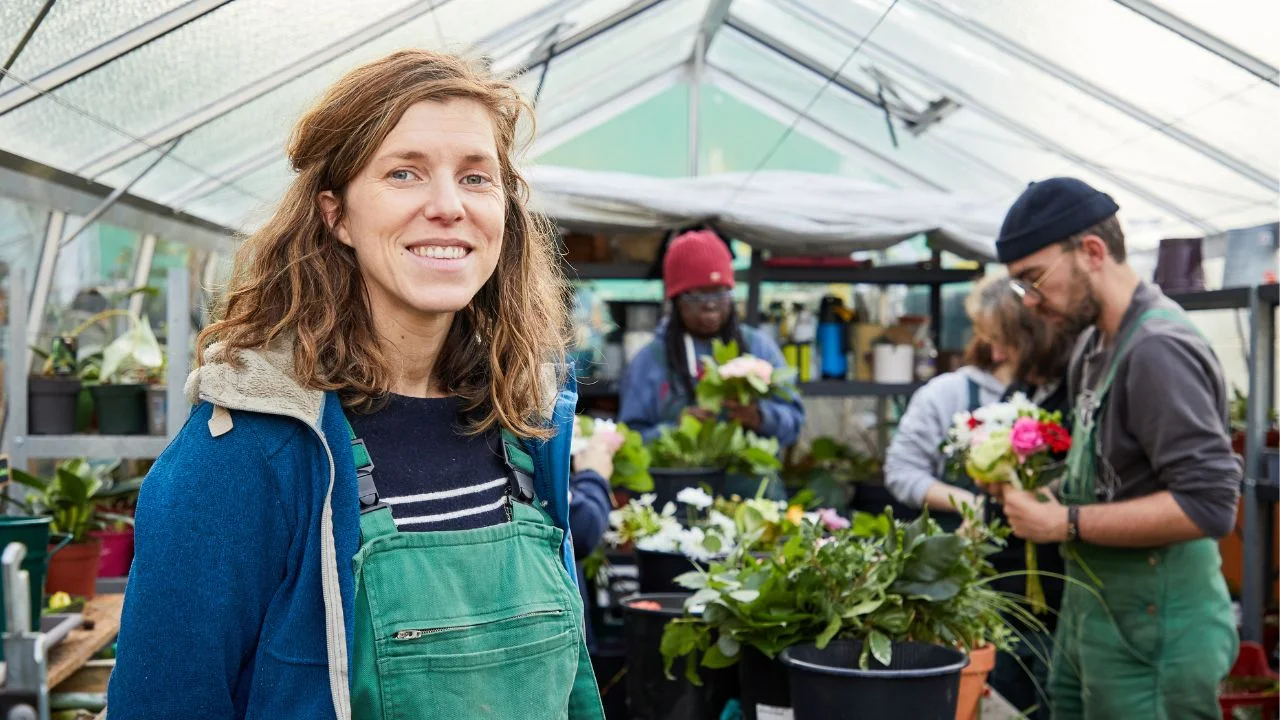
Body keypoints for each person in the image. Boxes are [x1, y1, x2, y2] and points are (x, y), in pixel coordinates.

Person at [108, 51, 604, 719]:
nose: (448, 207)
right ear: (336, 215)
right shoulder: (249, 453)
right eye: (405, 172)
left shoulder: (525, 426)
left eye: (476, 177)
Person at [992, 177, 1240, 719]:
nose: (1030, 303)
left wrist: (1065, 524)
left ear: (1093, 252)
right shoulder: (1094, 345)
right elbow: (1106, 474)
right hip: (1094, 617)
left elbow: (1209, 505)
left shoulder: (1157, 351)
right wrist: (1036, 493)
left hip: (1157, 634)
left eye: (1034, 280)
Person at [618, 229, 805, 448]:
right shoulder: (650, 360)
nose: (710, 304)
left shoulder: (758, 348)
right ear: (676, 300)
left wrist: (760, 417)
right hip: (675, 479)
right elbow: (628, 439)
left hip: (750, 480)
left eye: (719, 292)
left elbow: (795, 421)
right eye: (697, 294)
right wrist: (675, 429)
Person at [883, 277, 1019, 528]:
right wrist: (965, 502)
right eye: (991, 337)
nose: (997, 352)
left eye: (1006, 339)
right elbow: (901, 472)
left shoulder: (1057, 394)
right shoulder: (945, 394)